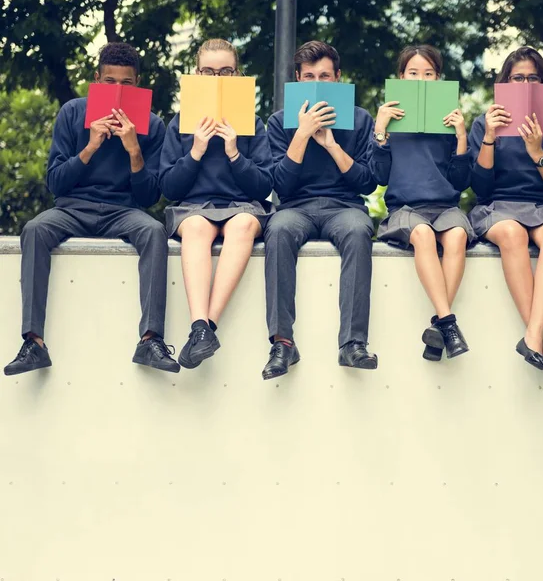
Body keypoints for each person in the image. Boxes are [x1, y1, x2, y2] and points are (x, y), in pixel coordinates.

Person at [4, 42, 179, 376]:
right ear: (96, 80)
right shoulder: (73, 112)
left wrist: (133, 151)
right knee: (35, 229)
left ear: (137, 85)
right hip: (73, 207)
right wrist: (90, 147)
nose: (117, 90)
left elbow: (148, 198)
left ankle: (150, 338)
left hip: (123, 211)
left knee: (154, 231)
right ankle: (33, 342)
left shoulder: (153, 126)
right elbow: (55, 182)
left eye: (126, 84)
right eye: (109, 82)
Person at [262, 40, 378, 380]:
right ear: (298, 80)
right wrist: (301, 135)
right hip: (295, 208)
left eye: (325, 76)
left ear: (338, 79)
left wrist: (329, 143)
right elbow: (280, 186)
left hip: (345, 207)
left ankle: (352, 343)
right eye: (309, 76)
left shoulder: (360, 119)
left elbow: (368, 183)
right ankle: (283, 342)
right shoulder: (279, 121)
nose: (317, 81)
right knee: (279, 229)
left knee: (359, 231)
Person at [159, 39, 273, 369]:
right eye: (208, 72)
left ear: (237, 75)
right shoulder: (179, 122)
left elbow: (264, 185)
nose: (217, 78)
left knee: (241, 226)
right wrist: (195, 151)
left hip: (242, 207)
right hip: (194, 209)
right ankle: (199, 326)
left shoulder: (253, 122)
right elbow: (168, 187)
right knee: (195, 226)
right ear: (197, 74)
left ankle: (207, 326)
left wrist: (234, 153)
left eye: (225, 71)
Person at [468, 46, 543, 370]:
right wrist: (489, 137)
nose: (525, 84)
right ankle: (539, 339)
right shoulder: (483, 124)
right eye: (518, 78)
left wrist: (537, 151)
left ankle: (531, 336)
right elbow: (481, 187)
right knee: (513, 233)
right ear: (506, 82)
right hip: (497, 207)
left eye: (533, 78)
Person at [370, 45, 474, 361]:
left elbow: (461, 182)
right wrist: (380, 130)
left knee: (456, 235)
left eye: (428, 74)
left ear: (438, 79)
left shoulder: (447, 122)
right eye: (413, 74)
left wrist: (460, 136)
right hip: (405, 210)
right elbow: (378, 176)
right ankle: (449, 323)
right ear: (401, 77)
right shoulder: (389, 122)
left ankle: (439, 326)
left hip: (445, 208)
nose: (420, 80)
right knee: (424, 236)